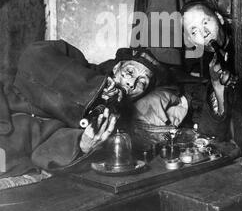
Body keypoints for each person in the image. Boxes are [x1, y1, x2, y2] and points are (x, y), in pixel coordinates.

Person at [0, 40, 164, 177]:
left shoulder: (110, 121)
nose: (131, 83)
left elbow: (43, 153)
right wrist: (94, 89)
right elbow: (34, 55)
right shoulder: (79, 63)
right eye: (129, 71)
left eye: (142, 83)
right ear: (116, 68)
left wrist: (82, 144)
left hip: (12, 143)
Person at [181, 0, 236, 142]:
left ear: (220, 18)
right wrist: (217, 85)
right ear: (191, 40)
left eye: (205, 22)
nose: (204, 33)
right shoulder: (210, 64)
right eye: (194, 31)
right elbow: (215, 132)